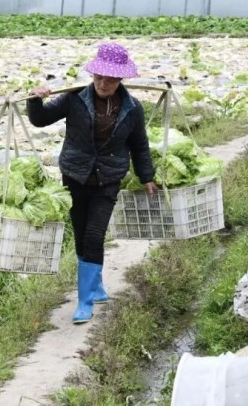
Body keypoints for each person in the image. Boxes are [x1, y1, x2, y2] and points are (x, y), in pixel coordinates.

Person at [27, 42, 157, 324]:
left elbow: (140, 145)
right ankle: (95, 285)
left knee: (94, 235)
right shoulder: (74, 99)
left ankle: (84, 301)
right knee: (81, 230)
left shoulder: (132, 108)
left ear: (120, 79)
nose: (103, 83)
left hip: (109, 178)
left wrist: (147, 177)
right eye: (99, 77)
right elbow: (40, 120)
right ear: (93, 75)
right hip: (75, 175)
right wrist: (35, 99)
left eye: (110, 79)